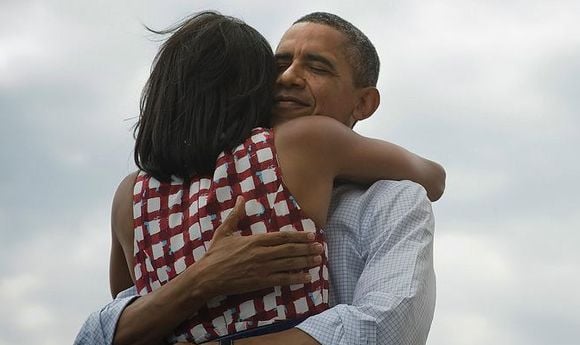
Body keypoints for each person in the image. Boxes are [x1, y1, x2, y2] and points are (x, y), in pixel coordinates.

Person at [75, 11, 441, 345]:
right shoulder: (299, 147)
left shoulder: (133, 195)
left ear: (364, 103)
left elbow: (128, 310)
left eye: (317, 67)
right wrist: (204, 276)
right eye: (278, 65)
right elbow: (125, 312)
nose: (287, 77)